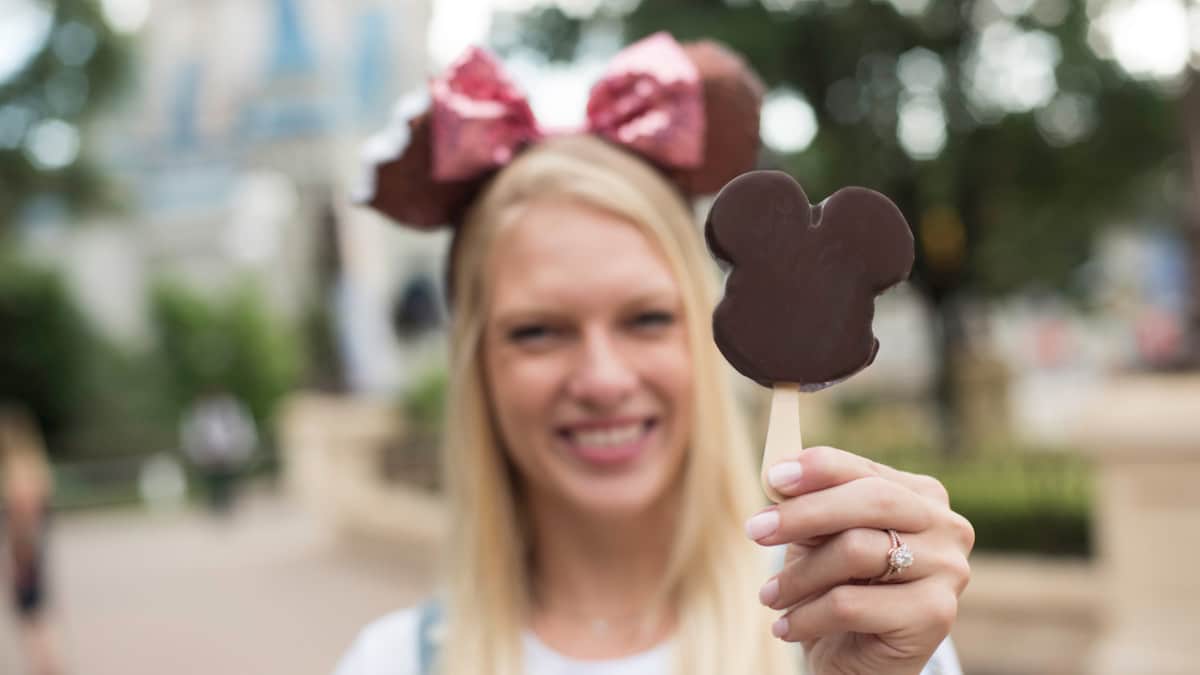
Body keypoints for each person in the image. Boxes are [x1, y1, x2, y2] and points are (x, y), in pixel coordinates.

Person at [336, 33, 973, 675]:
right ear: (477, 366)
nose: (603, 379)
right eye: (537, 331)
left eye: (646, 319)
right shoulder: (388, 662)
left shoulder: (852, 615)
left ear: (707, 332)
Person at [1, 405, 62, 675]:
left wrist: (19, 555)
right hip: (35, 544)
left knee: (30, 611)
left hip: (24, 547)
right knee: (37, 609)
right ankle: (47, 663)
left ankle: (45, 666)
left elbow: (23, 513)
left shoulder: (16, 469)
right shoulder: (36, 463)